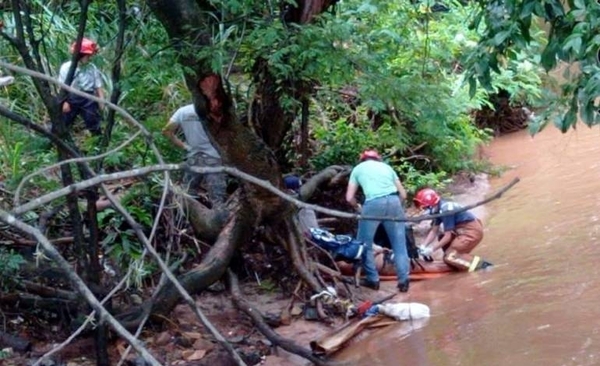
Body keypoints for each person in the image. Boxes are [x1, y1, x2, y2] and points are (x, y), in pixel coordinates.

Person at [345, 149, 410, 292]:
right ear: (377, 159)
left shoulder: (357, 169)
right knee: (399, 245)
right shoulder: (387, 167)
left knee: (364, 244)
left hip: (372, 204)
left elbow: (349, 198)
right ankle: (403, 281)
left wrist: (358, 208)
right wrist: (395, 206)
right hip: (394, 201)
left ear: (362, 159)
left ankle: (373, 280)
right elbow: (404, 195)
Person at [413, 188, 492, 271]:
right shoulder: (438, 210)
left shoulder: (446, 210)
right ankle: (458, 260)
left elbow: (448, 236)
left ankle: (483, 267)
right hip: (462, 231)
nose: (424, 211)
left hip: (471, 232)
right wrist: (423, 246)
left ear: (431, 205)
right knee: (442, 238)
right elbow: (434, 231)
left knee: (450, 256)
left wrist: (431, 250)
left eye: (425, 208)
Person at [162, 104, 227, 205]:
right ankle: (218, 218)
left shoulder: (182, 112)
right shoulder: (213, 109)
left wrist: (185, 146)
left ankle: (189, 217)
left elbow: (166, 131)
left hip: (194, 156)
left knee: (188, 194)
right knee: (218, 198)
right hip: (215, 157)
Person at [58, 37, 105, 136]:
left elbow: (98, 87)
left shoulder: (91, 68)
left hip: (88, 98)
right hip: (71, 97)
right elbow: (61, 86)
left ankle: (98, 141)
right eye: (87, 56)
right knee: (63, 121)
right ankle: (54, 139)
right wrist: (64, 102)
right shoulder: (66, 68)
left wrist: (102, 103)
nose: (90, 58)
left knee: (92, 120)